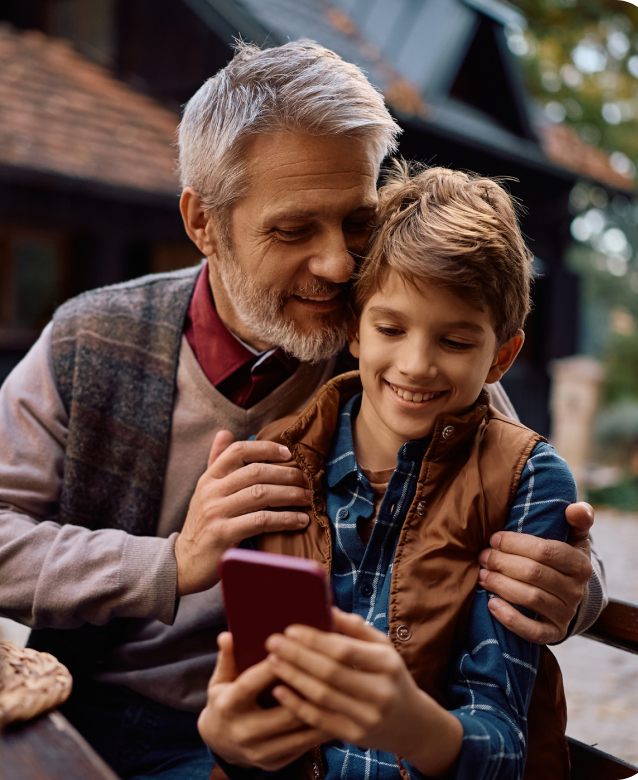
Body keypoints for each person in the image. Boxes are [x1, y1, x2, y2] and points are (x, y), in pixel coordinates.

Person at [0, 41, 602, 779]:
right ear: (204, 224)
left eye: (354, 222)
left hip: (297, 744)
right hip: (89, 709)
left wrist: (575, 590)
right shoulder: (90, 339)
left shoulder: (392, 338)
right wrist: (171, 562)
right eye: (293, 230)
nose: (339, 266)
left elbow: (505, 476)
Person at [202, 163, 579, 780]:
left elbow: (505, 744)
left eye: (456, 342)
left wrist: (412, 725)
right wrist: (227, 741)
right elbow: (249, 691)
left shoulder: (529, 481)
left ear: (501, 356)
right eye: (391, 328)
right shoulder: (278, 458)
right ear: (353, 327)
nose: (416, 364)